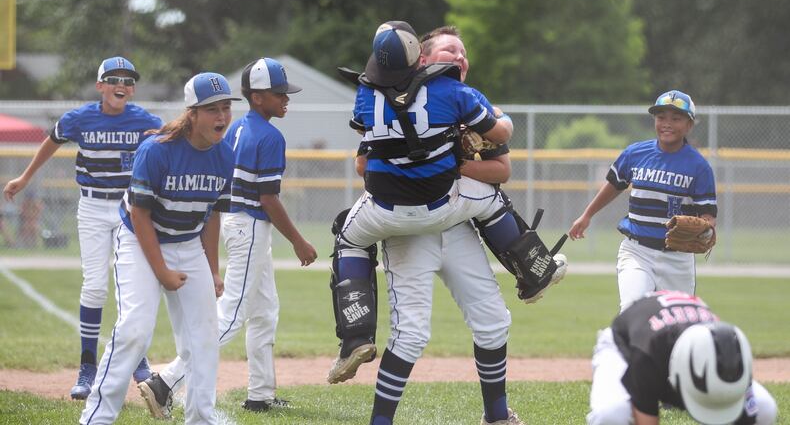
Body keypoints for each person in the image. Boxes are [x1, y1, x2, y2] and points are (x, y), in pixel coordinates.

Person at [331, 25, 560, 425]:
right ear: (423, 58)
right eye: (449, 50)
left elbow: (501, 169)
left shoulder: (451, 100)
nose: (458, 57)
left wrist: (450, 159)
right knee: (412, 333)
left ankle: (497, 416)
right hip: (414, 231)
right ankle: (534, 266)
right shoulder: (457, 99)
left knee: (493, 321)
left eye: (463, 52)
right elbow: (366, 162)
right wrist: (441, 159)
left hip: (453, 224)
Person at [138, 57, 318, 417]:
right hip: (249, 224)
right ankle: (166, 381)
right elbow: (267, 198)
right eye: (278, 93)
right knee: (233, 313)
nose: (286, 98)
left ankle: (260, 393)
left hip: (238, 223)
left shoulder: (236, 128)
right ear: (256, 97)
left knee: (266, 311)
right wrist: (298, 240)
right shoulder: (269, 136)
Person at [78, 72, 238, 425]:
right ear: (192, 113)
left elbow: (213, 217)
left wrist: (212, 269)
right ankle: (96, 418)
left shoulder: (226, 156)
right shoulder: (157, 150)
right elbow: (139, 214)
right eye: (212, 109)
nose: (222, 117)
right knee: (135, 327)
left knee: (204, 337)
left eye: (226, 107)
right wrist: (162, 272)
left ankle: (200, 418)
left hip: (188, 242)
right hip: (140, 238)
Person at [3, 56, 162, 399]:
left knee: (131, 289)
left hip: (128, 208)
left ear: (132, 88)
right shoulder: (80, 118)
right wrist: (25, 177)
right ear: (100, 85)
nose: (121, 85)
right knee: (94, 287)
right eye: (113, 79)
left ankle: (138, 359)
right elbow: (52, 140)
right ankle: (87, 367)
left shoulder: (145, 121)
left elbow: (168, 143)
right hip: (91, 206)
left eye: (127, 80)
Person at [568, 90, 717, 312]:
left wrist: (706, 230)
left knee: (677, 322)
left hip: (678, 258)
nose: (667, 123)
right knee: (633, 312)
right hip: (637, 252)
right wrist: (587, 215)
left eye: (676, 118)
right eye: (661, 117)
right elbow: (614, 185)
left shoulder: (699, 166)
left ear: (689, 125)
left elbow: (708, 215)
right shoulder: (635, 154)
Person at [587, 290, 777, 425]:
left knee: (765, 409)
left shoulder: (733, 348)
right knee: (611, 415)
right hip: (624, 346)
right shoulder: (648, 356)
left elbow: (749, 412)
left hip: (677, 332)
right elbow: (646, 419)